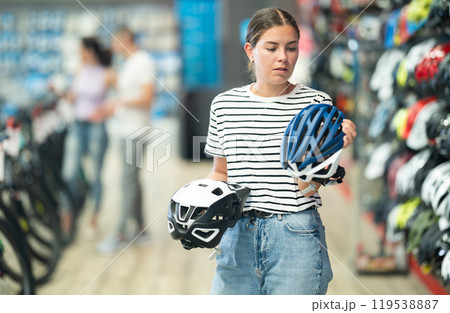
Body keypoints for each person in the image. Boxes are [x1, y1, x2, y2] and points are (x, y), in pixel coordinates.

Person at [204, 8, 357, 295]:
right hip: (236, 235)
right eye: (271, 48)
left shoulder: (316, 103)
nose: (283, 58)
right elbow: (220, 171)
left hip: (295, 233)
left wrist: (330, 153)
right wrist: (200, 200)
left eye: (291, 48)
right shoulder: (224, 105)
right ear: (250, 50)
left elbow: (307, 187)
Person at [93, 28, 156, 254]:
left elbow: (148, 97)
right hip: (127, 130)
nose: (113, 47)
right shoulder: (128, 63)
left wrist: (117, 102)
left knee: (127, 182)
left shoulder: (143, 61)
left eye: (115, 42)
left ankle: (120, 232)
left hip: (135, 132)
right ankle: (140, 228)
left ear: (124, 40)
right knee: (133, 181)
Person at [61, 37, 115, 236]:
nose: (79, 54)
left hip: (96, 128)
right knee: (69, 173)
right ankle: (69, 214)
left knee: (96, 174)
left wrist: (105, 111)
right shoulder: (79, 71)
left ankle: (94, 218)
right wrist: (63, 93)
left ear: (90, 51)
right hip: (77, 125)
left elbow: (119, 98)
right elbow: (74, 96)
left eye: (81, 50)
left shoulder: (107, 74)